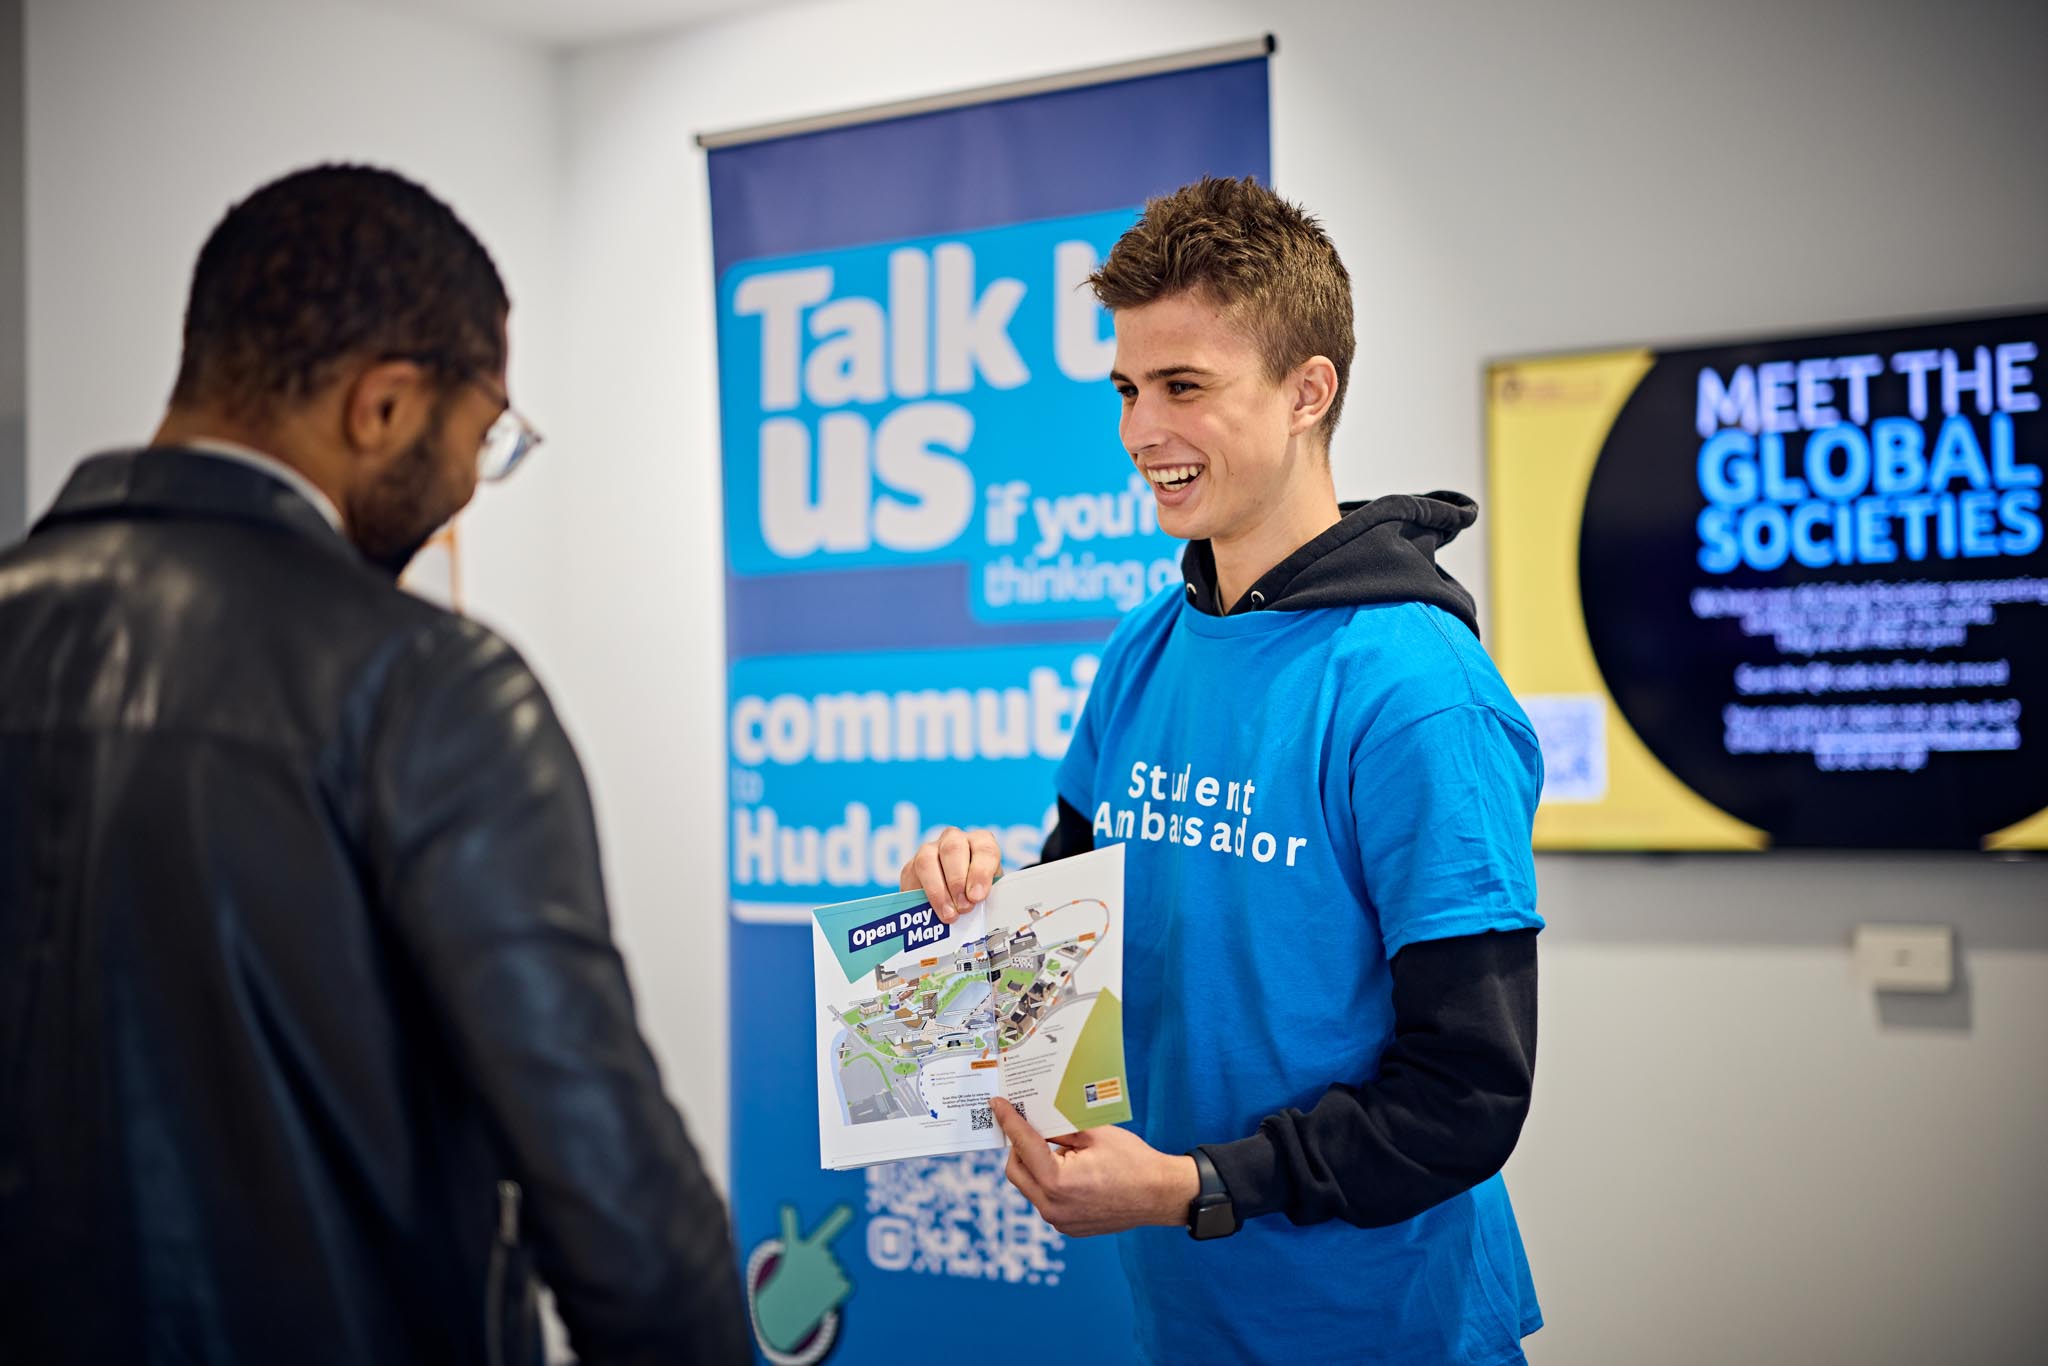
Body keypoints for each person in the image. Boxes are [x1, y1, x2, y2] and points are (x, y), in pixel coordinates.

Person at [0, 166, 748, 1365]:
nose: (465, 487)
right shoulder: (428, 690)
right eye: (482, 432)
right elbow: (619, 1217)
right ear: (384, 407)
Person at [899, 177, 1544, 1365]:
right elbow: (1064, 974)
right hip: (1185, 1319)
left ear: (1309, 391)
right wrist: (970, 906)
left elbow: (1466, 1098)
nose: (1140, 430)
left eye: (1183, 386)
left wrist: (1197, 1183)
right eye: (1127, 388)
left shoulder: (1414, 691)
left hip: (1386, 1330)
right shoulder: (1142, 652)